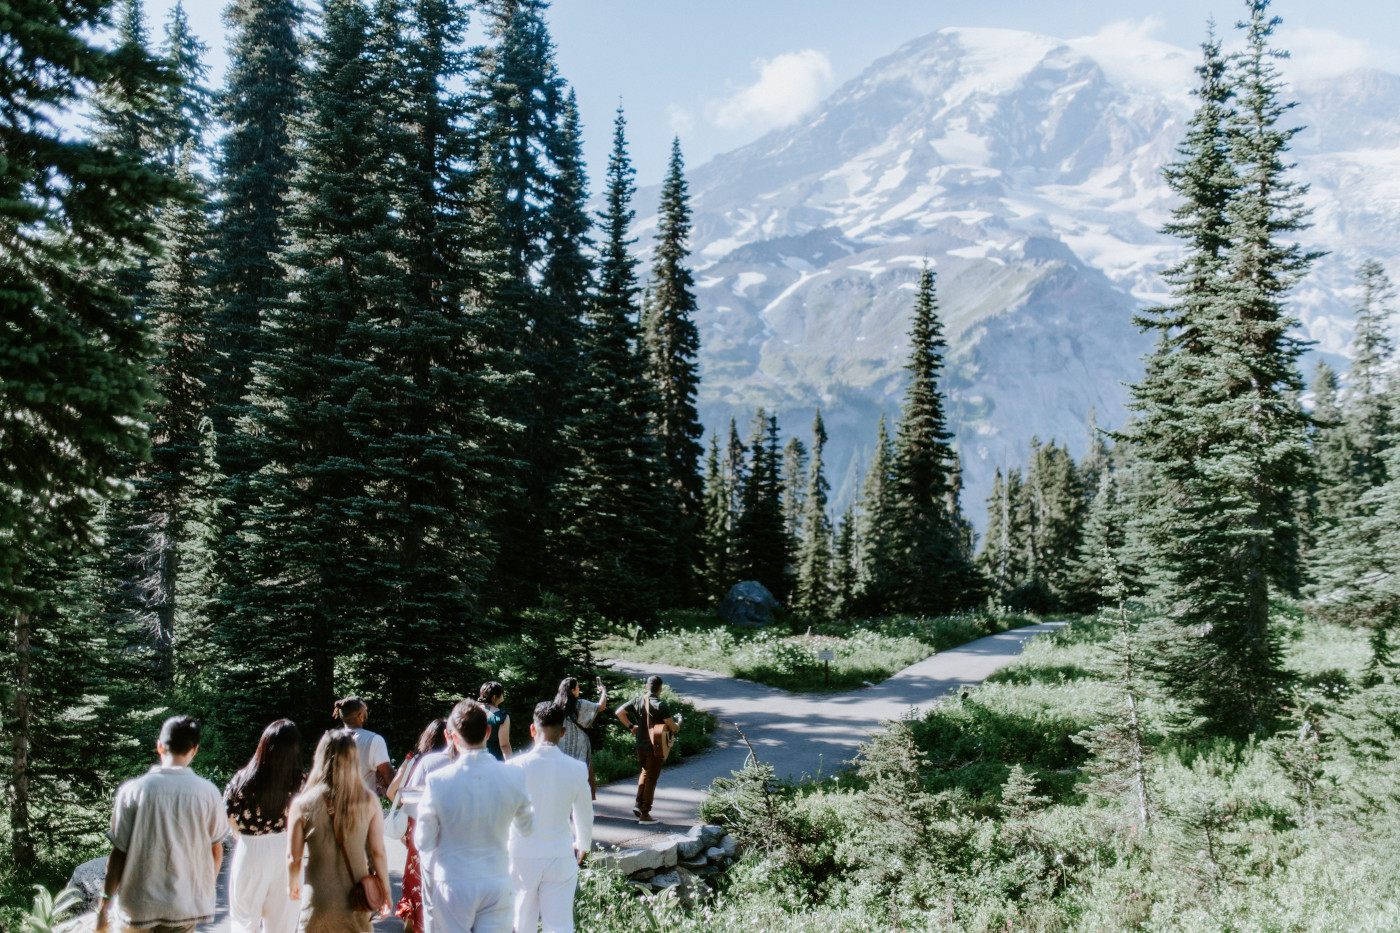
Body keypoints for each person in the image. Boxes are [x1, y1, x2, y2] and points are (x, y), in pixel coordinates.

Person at [96, 715, 224, 933]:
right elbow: (216, 851)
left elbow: (118, 854)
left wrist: (104, 905)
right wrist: (202, 892)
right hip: (182, 908)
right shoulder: (208, 793)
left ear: (159, 746)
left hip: (137, 908)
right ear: (194, 750)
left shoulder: (133, 791)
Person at [415, 699, 533, 933]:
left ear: (453, 737)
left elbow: (423, 841)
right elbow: (527, 828)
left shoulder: (437, 782)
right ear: (488, 732)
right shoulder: (513, 777)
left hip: (453, 882)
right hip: (496, 879)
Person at [287, 729, 391, 933]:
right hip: (356, 899)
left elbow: (293, 857)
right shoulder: (369, 800)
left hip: (317, 901)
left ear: (321, 757)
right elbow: (377, 851)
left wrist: (292, 884)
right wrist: (385, 891)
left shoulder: (302, 804)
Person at [506, 702, 592, 933]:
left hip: (521, 853)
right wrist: (583, 843)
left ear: (532, 730)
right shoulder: (576, 768)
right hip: (559, 853)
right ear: (563, 732)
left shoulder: (513, 767)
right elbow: (584, 812)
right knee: (560, 924)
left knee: (521, 921)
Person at [225, 720, 304, 933]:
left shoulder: (241, 780)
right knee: (282, 926)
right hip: (286, 851)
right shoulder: (298, 781)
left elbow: (230, 819)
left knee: (243, 922)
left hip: (249, 850)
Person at [386, 719, 451, 933]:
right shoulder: (454, 761)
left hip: (416, 822)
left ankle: (414, 917)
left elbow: (391, 793)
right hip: (445, 825)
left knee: (416, 870)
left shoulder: (417, 761)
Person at [614, 676, 680, 826]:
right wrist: (678, 726)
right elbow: (671, 726)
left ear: (646, 686)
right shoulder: (661, 705)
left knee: (645, 772)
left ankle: (638, 804)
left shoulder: (638, 700)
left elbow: (619, 712)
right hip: (655, 747)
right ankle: (645, 813)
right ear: (660, 688)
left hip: (640, 746)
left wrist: (631, 727)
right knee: (651, 778)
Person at [554, 677, 609, 799]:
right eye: (577, 687)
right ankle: (582, 802)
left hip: (561, 746)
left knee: (564, 776)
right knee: (582, 775)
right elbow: (601, 706)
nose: (579, 689)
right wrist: (603, 692)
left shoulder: (556, 707)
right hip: (580, 746)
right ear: (572, 690)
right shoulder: (580, 704)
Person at [332, 696, 392, 796]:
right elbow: (387, 773)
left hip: (337, 803)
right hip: (363, 804)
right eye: (365, 710)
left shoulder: (331, 740)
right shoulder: (374, 740)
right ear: (360, 716)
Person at [478, 682, 512, 760]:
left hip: (474, 758)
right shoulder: (501, 716)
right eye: (502, 692)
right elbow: (504, 745)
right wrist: (509, 763)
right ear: (494, 697)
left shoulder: (472, 712)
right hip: (495, 759)